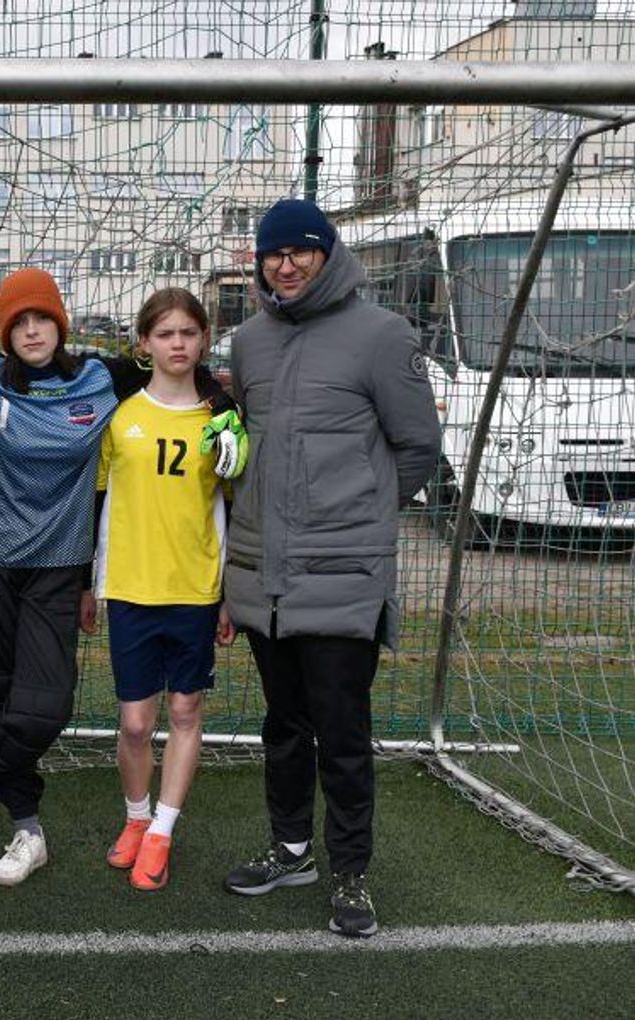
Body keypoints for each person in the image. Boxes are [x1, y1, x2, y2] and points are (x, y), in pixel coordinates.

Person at [0, 267, 242, 887]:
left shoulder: (102, 377)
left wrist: (224, 410)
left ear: (60, 324)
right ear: (3, 333)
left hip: (59, 566)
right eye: (19, 323)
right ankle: (27, 831)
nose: (32, 331)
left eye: (42, 319)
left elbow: (181, 369)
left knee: (47, 706)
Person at [220, 199, 440, 937]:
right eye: (273, 254)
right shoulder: (250, 342)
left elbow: (419, 446)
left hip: (345, 575)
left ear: (327, 253)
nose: (285, 266)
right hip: (265, 577)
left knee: (342, 733)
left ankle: (350, 872)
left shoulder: (383, 335)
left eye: (300, 252)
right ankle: (291, 851)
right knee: (283, 726)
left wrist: (361, 514)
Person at [95, 288, 237, 892]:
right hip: (131, 587)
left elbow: (231, 510)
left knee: (184, 710)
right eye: (165, 333)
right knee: (134, 722)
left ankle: (162, 830)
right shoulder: (120, 416)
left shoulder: (222, 420)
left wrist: (229, 593)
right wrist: (89, 584)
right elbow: (98, 504)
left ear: (203, 340)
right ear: (145, 343)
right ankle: (136, 817)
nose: (177, 343)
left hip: (195, 590)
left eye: (188, 333)